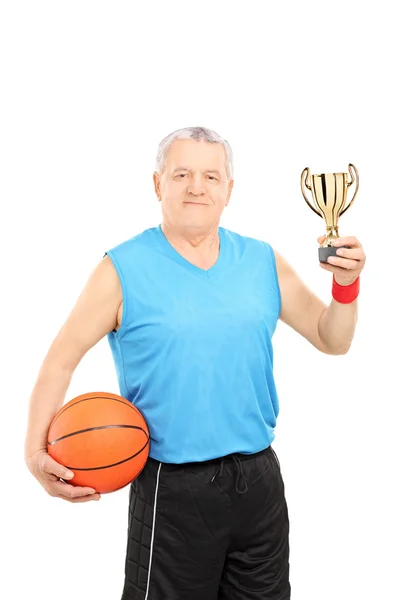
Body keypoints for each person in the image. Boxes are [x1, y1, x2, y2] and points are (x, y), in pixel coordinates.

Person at [24, 126, 366, 599]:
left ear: (229, 189)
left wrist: (346, 286)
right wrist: (33, 451)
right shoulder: (121, 268)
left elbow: (333, 339)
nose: (196, 186)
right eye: (181, 173)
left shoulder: (262, 260)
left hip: (259, 483)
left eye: (211, 175)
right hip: (172, 488)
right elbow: (60, 360)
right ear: (157, 184)